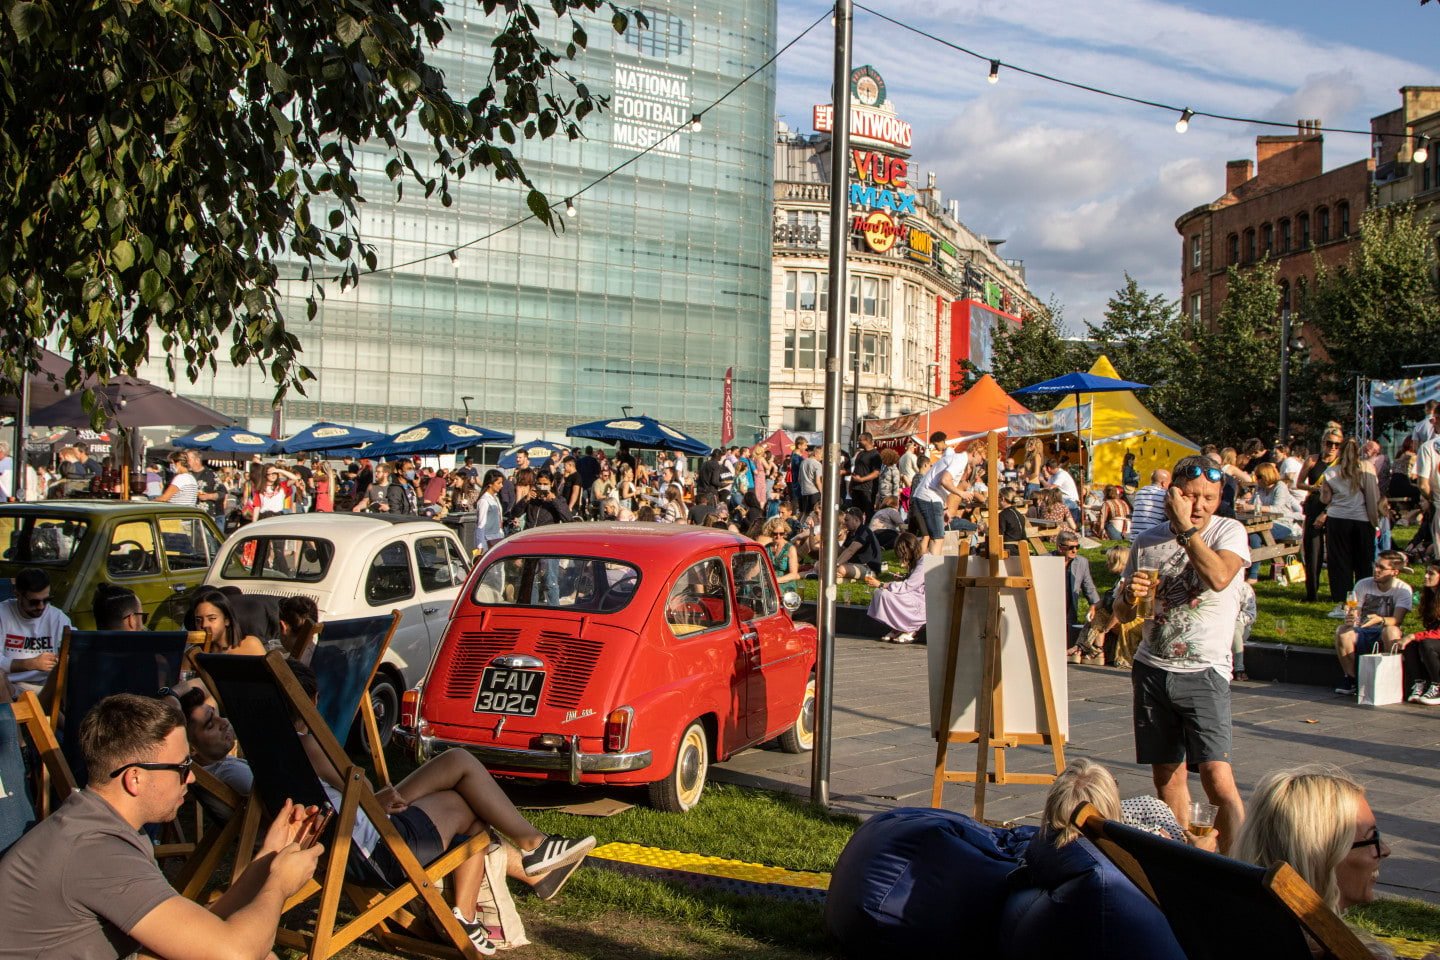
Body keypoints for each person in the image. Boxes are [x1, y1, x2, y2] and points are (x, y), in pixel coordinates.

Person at [286, 660, 594, 950]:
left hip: (337, 847)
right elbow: (361, 788)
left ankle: (468, 915)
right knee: (459, 767)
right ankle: (532, 847)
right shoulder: (307, 745)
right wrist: (373, 796)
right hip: (380, 850)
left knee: (467, 801)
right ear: (311, 702)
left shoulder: (265, 756)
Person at [0, 693, 323, 960]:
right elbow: (234, 954)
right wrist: (279, 884)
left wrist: (267, 861)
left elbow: (203, 927)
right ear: (135, 777)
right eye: (182, 766)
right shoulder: (95, 852)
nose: (192, 776)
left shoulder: (102, 826)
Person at [1114, 455, 1250, 854]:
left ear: (1219, 495)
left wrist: (1187, 529)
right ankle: (1184, 859)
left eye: (1208, 496)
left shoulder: (1230, 531)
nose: (1199, 505)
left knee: (1217, 776)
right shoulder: (1147, 540)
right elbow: (1122, 615)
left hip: (1204, 670)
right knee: (1167, 777)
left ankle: (1236, 862)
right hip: (1153, 667)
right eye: (1189, 495)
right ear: (1172, 492)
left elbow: (1219, 577)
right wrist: (1127, 595)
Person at [1235, 765, 1395, 955]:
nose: (1386, 850)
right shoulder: (1328, 952)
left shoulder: (1231, 926)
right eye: (1372, 837)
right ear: (1323, 854)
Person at [1332, 551, 1412, 697]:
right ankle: (1352, 679)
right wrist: (1351, 618)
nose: (1376, 570)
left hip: (1383, 631)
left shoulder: (1403, 590)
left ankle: (1389, 680)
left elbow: (1397, 620)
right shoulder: (1363, 584)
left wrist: (1380, 620)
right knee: (1342, 631)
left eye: (1381, 567)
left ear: (1394, 572)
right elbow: (1355, 611)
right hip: (1362, 629)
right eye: (1375, 565)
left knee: (1391, 631)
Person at [1321, 438, 1381, 617]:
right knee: (1363, 561)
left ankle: (1343, 603)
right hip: (1362, 519)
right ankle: (1364, 601)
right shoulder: (1366, 469)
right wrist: (1375, 520)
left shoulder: (1331, 471)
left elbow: (1325, 498)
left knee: (1340, 562)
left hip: (1338, 518)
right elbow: (1373, 495)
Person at [0, 568, 72, 698]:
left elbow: (78, 648)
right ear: (17, 595)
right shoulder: (2, 614)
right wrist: (30, 664)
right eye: (34, 602)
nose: (41, 607)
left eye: (46, 600)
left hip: (46, 688)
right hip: (9, 685)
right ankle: (12, 718)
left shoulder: (58, 618)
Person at [866, 533, 937, 644]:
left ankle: (911, 628)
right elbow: (913, 582)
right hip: (917, 594)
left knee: (883, 593)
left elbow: (909, 585)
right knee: (881, 593)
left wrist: (882, 584)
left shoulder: (924, 562)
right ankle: (899, 626)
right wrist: (901, 578)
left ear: (910, 548)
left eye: (903, 553)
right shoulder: (918, 560)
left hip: (924, 599)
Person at [1299, 427, 1343, 603]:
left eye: (1337, 444)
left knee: (1335, 552)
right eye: (1329, 443)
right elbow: (1299, 483)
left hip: (1335, 507)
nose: (1332, 447)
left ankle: (1337, 593)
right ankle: (1312, 593)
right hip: (1315, 504)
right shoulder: (1312, 460)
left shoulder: (1341, 463)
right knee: (1313, 552)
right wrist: (1313, 488)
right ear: (1323, 443)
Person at [1242, 462, 1303, 583]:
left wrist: (1252, 507)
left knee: (1256, 535)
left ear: (1266, 476)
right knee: (1253, 536)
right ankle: (1252, 574)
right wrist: (1245, 506)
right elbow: (1253, 503)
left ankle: (1253, 574)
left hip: (1282, 523)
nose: (1256, 480)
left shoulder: (1280, 487)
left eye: (1259, 477)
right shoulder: (1260, 488)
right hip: (1262, 523)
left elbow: (1278, 509)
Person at [911, 432, 970, 556]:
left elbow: (943, 483)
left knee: (929, 537)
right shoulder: (950, 456)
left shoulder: (949, 454)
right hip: (929, 498)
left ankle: (921, 566)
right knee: (935, 537)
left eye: (935, 444)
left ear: (941, 441)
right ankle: (925, 568)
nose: (935, 447)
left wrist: (945, 507)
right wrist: (960, 494)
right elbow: (944, 482)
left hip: (925, 498)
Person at [1057, 530, 1100, 662]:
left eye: (1077, 547)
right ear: (1060, 547)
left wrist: (1094, 605)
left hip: (1070, 604)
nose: (1074, 550)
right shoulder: (1045, 559)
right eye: (1070, 547)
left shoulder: (1082, 562)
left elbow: (1088, 586)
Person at [1401, 563, 1440, 705]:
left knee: (1426, 643)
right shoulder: (1431, 596)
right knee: (1410, 644)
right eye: (1426, 572)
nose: (1425, 576)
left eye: (1431, 574)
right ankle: (1419, 683)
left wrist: (1414, 635)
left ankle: (1438, 685)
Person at [190, 591, 268, 656]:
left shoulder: (250, 644)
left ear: (227, 620)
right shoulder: (194, 653)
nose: (204, 625)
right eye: (198, 620)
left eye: (212, 618)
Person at [835, 507, 883, 582]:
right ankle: (843, 578)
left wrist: (836, 565)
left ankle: (839, 577)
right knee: (819, 564)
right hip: (853, 565)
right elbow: (841, 552)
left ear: (856, 520)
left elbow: (850, 551)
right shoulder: (851, 533)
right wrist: (835, 539)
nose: (844, 522)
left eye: (847, 520)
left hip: (869, 568)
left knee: (840, 569)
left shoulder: (864, 531)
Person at [756, 517, 800, 586]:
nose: (778, 536)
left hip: (785, 583)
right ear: (770, 532)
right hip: (768, 583)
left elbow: (793, 574)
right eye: (775, 533)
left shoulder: (790, 549)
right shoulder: (766, 548)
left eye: (781, 533)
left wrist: (773, 580)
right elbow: (758, 568)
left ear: (785, 532)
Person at [849, 432, 882, 522]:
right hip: (856, 488)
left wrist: (861, 479)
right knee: (855, 513)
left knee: (868, 514)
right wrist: (851, 485)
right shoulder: (860, 454)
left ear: (867, 440)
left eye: (860, 440)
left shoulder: (875, 455)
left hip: (867, 489)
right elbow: (855, 470)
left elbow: (876, 473)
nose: (858, 442)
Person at [1129, 469, 1171, 540]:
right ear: (1163, 483)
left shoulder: (1140, 492)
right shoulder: (1164, 495)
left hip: (1134, 538)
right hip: (1152, 539)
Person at [1042, 458, 1081, 527]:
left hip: (1071, 502)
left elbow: (1052, 487)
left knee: (1051, 507)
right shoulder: (1053, 476)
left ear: (1048, 468)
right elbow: (1048, 487)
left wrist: (1041, 480)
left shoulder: (1061, 474)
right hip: (1064, 501)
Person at [475, 469, 505, 556]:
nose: (501, 486)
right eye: (499, 483)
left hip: (498, 537)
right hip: (488, 540)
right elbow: (481, 524)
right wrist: (480, 546)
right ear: (490, 483)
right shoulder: (484, 500)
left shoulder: (496, 498)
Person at [796, 443, 822, 517]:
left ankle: (801, 528)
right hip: (814, 492)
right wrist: (822, 493)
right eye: (821, 455)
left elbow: (799, 479)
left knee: (805, 514)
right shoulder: (817, 464)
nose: (822, 458)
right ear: (816, 454)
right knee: (814, 514)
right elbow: (818, 481)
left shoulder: (803, 462)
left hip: (804, 492)